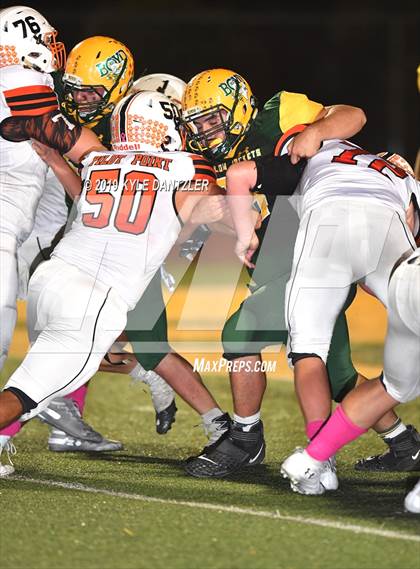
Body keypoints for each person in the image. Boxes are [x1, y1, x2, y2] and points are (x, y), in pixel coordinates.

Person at [181, 68, 420, 479]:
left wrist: (316, 131)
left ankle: (246, 439)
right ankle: (404, 444)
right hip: (310, 252)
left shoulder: (280, 117)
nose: (206, 132)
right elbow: (232, 209)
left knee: (240, 335)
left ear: (239, 107)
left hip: (315, 254)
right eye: (197, 125)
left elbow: (353, 116)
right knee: (338, 375)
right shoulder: (213, 162)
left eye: (212, 119)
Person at [0, 91, 227, 460]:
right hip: (95, 297)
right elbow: (221, 212)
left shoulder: (99, 159)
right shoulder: (186, 167)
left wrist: (53, 156)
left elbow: (21, 129)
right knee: (28, 392)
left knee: (36, 382)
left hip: (51, 280)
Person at [279, 142, 419, 495]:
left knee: (308, 351)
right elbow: (410, 224)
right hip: (385, 225)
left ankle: (318, 461)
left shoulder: (316, 149)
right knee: (397, 385)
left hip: (326, 223)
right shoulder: (400, 177)